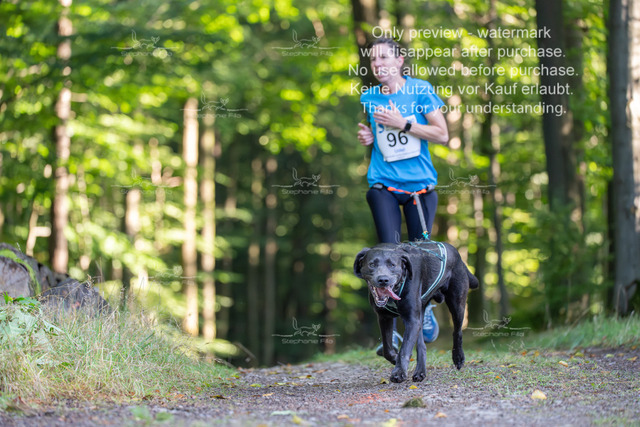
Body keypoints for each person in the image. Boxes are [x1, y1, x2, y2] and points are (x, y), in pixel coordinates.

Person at [357, 37, 449, 355]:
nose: (378, 64)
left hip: (419, 188)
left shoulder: (421, 90)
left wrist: (404, 123)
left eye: (384, 58)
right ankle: (392, 333)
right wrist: (369, 136)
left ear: (399, 61)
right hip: (382, 184)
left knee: (419, 256)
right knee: (388, 256)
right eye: (373, 59)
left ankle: (425, 308)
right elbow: (384, 139)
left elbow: (442, 134)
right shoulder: (369, 96)